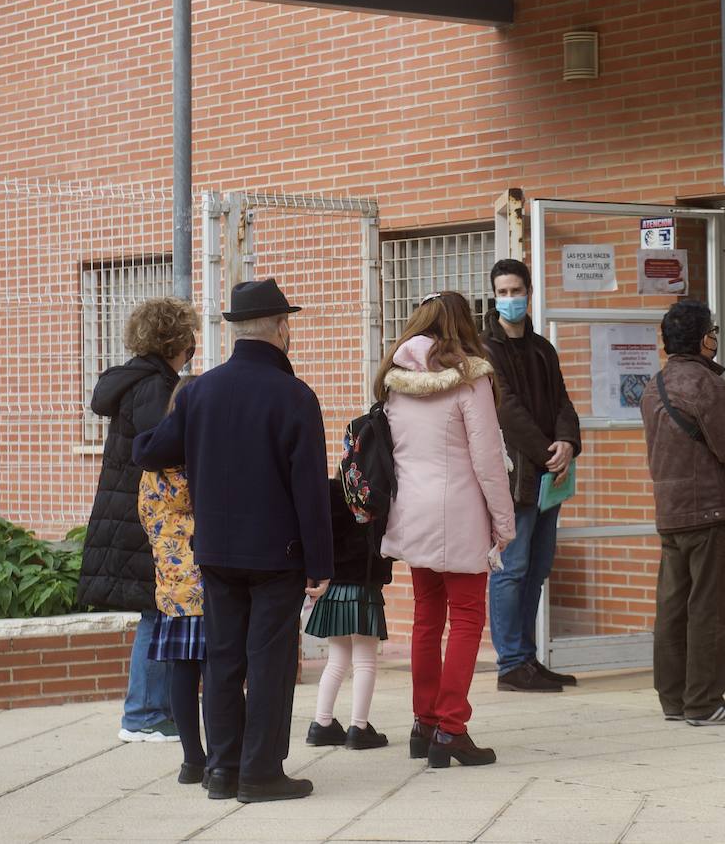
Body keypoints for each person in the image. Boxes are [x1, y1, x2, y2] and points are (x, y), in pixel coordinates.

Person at [133, 278, 333, 803]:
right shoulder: (295, 396)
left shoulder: (200, 391)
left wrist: (141, 435)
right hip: (277, 555)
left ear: (237, 330)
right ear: (281, 328)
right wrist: (320, 561)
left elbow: (152, 450)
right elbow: (309, 489)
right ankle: (261, 772)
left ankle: (221, 770)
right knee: (269, 663)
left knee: (223, 659)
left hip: (215, 553)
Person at [378, 291, 515, 768]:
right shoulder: (470, 379)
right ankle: (451, 728)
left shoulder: (397, 381)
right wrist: (504, 522)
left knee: (426, 617)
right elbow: (487, 459)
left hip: (412, 511)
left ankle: (424, 721)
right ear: (464, 324)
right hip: (458, 512)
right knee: (469, 616)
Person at [79, 295, 198, 744]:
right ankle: (144, 714)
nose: (193, 346)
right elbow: (162, 446)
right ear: (175, 340)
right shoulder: (154, 386)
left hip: (128, 514)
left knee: (161, 609)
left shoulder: (135, 380)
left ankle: (156, 710)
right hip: (148, 518)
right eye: (189, 338)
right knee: (157, 610)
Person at [640, 299, 725, 726]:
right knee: (708, 607)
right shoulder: (707, 385)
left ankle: (673, 699)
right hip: (707, 510)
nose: (715, 339)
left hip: (669, 512)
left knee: (672, 608)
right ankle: (705, 702)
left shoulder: (655, 384)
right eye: (712, 331)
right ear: (702, 338)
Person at [481, 259, 583, 693]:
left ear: (529, 290)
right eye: (502, 292)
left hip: (547, 477)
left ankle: (528, 657)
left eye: (516, 290)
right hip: (516, 475)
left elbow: (562, 400)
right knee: (512, 568)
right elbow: (507, 411)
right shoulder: (486, 350)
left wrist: (567, 443)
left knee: (538, 566)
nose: (510, 299)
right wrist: (548, 452)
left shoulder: (543, 348)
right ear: (494, 296)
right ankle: (511, 663)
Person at [138, 376, 206, 783]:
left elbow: (146, 517)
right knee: (218, 672)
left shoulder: (152, 467)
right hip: (211, 582)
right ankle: (220, 753)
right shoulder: (205, 462)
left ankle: (191, 760)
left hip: (173, 586)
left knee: (183, 672)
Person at [304, 478, 394, 750]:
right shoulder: (377, 492)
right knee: (365, 661)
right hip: (363, 588)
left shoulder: (333, 490)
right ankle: (359, 726)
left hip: (333, 587)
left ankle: (322, 723)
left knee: (337, 660)